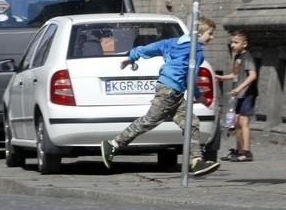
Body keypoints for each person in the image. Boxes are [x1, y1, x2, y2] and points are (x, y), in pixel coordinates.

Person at [100, 15, 220, 177]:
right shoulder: (197, 51)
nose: (211, 38)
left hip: (170, 90)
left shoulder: (173, 43)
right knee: (149, 121)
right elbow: (191, 77)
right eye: (210, 34)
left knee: (192, 123)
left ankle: (196, 161)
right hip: (170, 91)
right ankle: (113, 144)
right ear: (198, 33)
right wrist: (200, 97)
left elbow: (151, 47)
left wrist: (132, 56)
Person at [215, 30, 258, 162]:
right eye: (231, 43)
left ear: (244, 44)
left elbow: (253, 75)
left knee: (243, 122)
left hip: (247, 94)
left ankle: (246, 151)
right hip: (238, 95)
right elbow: (235, 75)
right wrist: (222, 77)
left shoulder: (247, 57)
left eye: (236, 42)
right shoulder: (237, 57)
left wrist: (239, 88)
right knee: (236, 122)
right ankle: (239, 151)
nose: (232, 45)